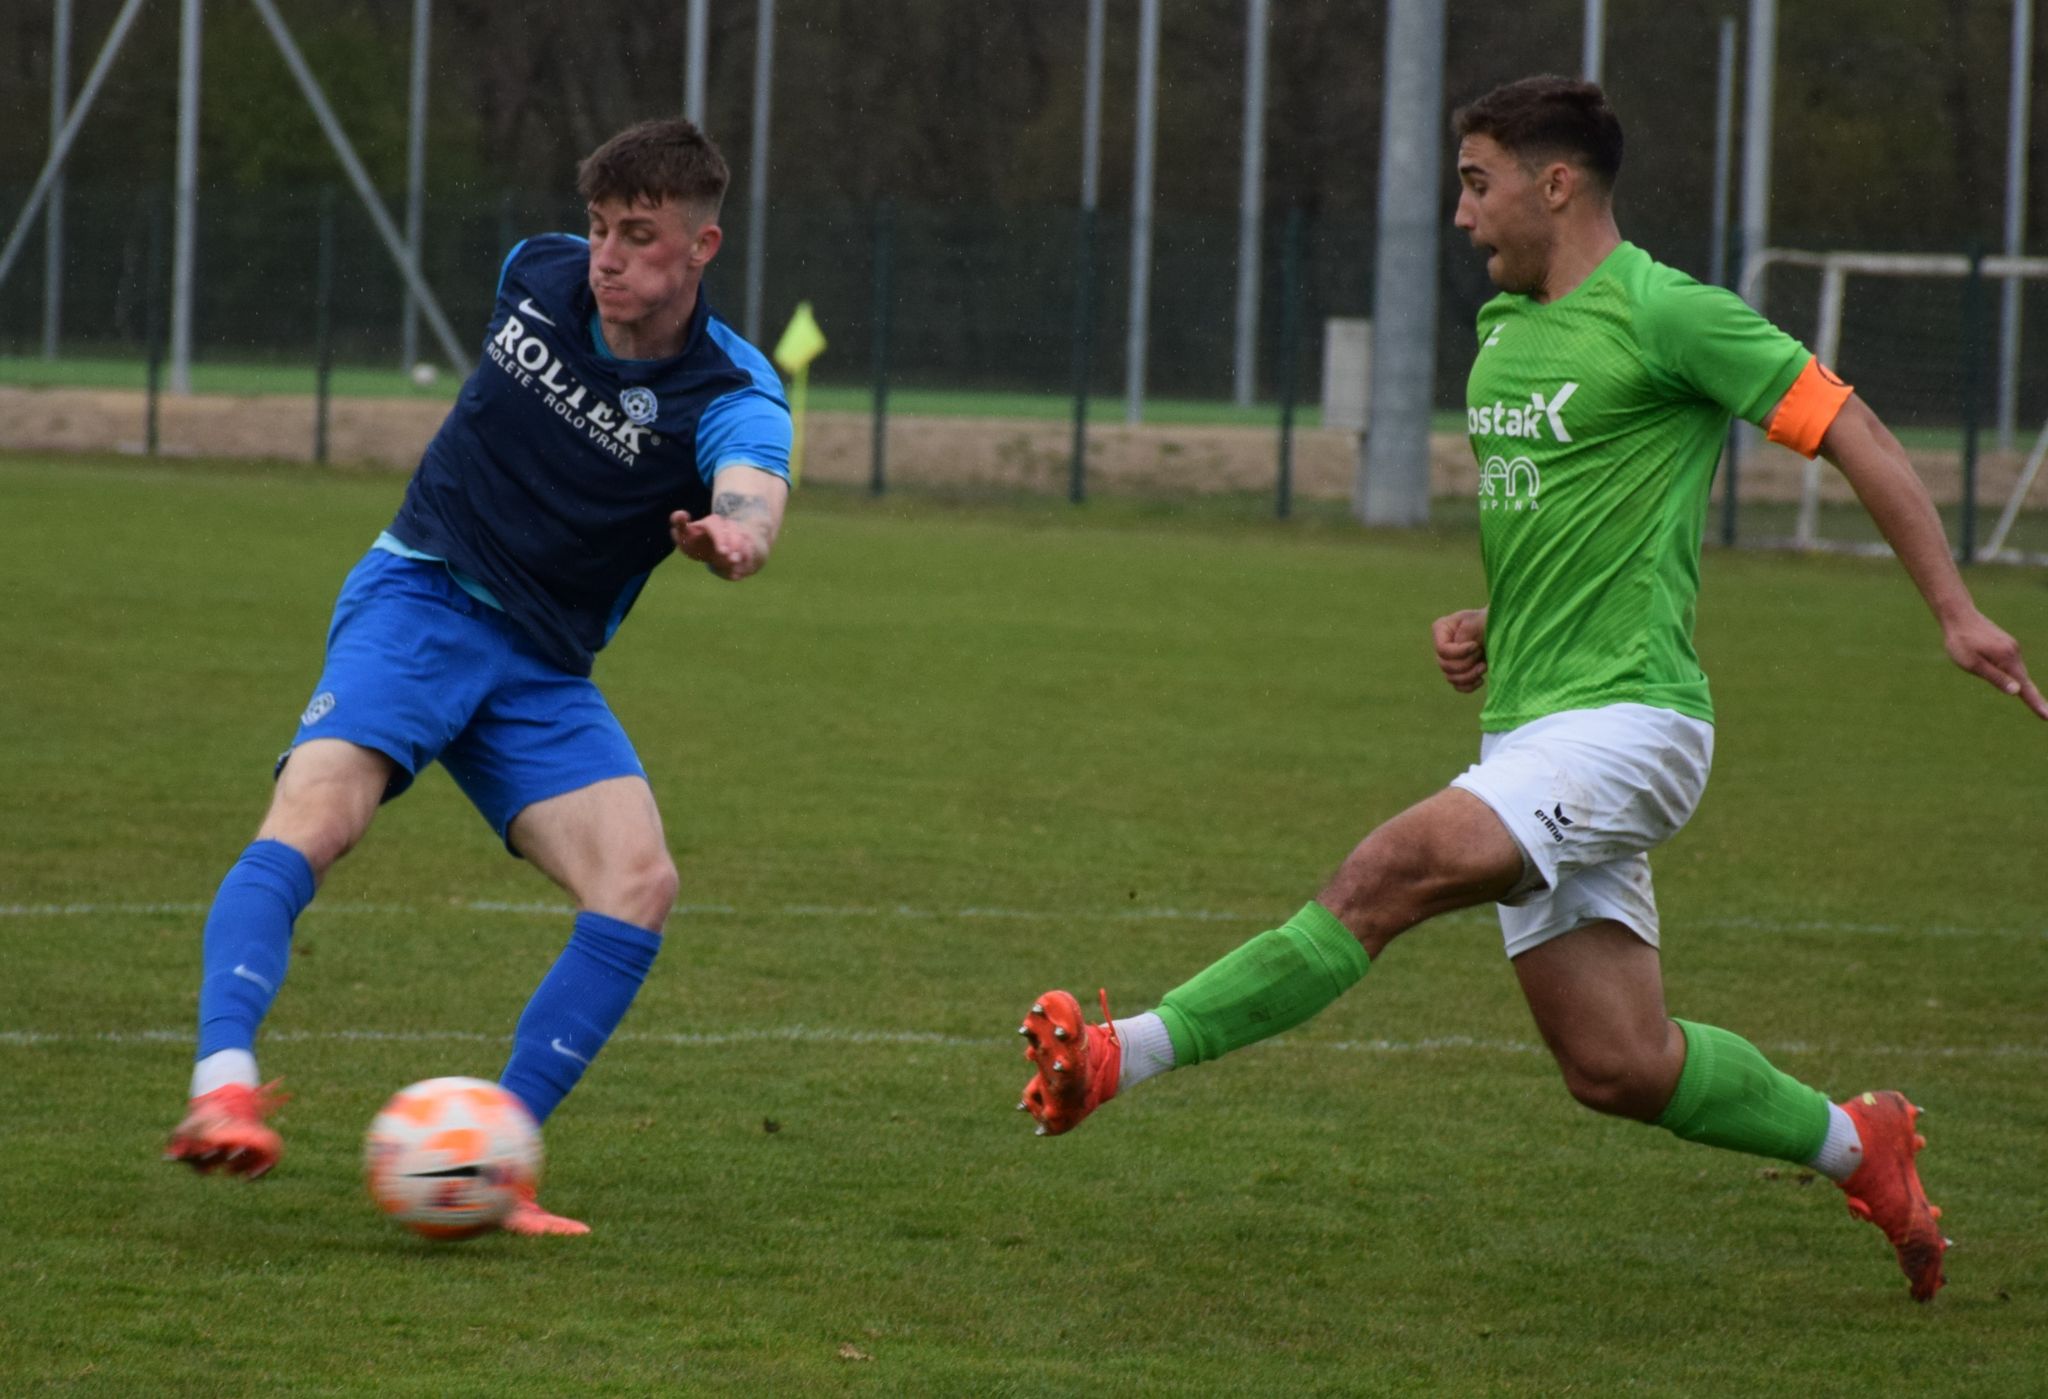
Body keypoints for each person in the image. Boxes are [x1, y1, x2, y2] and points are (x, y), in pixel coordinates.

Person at [1015, 76, 2046, 1302]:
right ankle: (1856, 1143)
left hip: (1632, 724)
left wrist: (1953, 610)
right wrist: (1494, 622)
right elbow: (1579, 524)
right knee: (1616, 1065)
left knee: (1382, 875)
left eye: (1475, 183)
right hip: (1533, 731)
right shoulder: (1503, 332)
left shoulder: (1666, 312)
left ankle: (1117, 1056)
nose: (1459, 216)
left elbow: (1852, 429)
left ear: (1554, 184)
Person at [165, 118, 793, 1236]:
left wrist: (736, 536)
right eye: (599, 227)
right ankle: (223, 1086)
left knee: (639, 881)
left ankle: (494, 1156)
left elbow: (751, 483)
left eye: (638, 235)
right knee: (318, 814)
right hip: (420, 596)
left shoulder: (730, 388)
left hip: (541, 665)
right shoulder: (534, 273)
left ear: (702, 246)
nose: (605, 257)